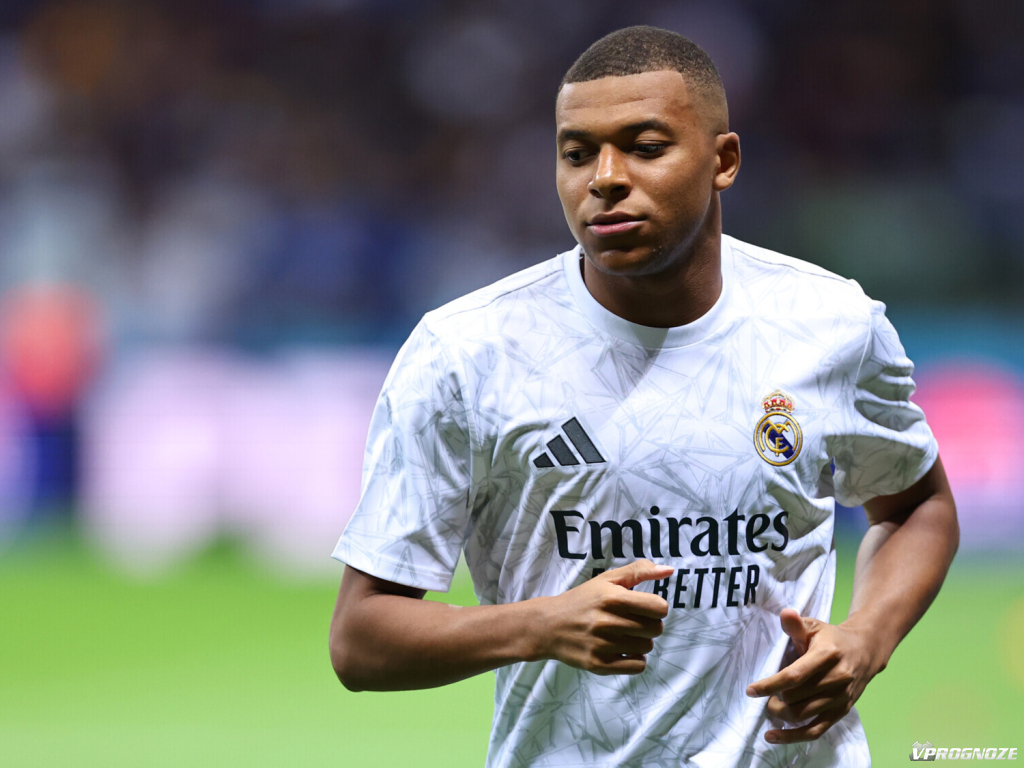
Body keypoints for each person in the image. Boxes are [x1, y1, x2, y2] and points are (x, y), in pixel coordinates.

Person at [328, 25, 958, 767]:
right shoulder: (466, 353)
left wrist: (865, 639)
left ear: (723, 161)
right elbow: (361, 639)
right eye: (576, 153)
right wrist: (541, 625)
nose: (604, 177)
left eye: (645, 147)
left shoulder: (831, 325)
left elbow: (915, 505)